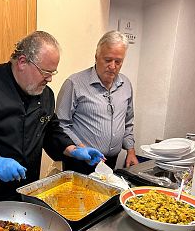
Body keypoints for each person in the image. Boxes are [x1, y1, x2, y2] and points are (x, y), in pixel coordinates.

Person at [0, 31, 104, 205]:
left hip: (23, 187)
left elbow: (51, 130)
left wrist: (73, 149)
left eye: (53, 72)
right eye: (45, 72)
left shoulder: (45, 95)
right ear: (22, 62)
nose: (50, 79)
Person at [56, 30, 139, 174]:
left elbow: (128, 121)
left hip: (111, 161)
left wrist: (131, 151)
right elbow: (61, 124)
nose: (113, 66)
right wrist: (81, 149)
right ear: (96, 57)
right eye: (108, 60)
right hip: (80, 161)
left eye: (118, 62)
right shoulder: (74, 84)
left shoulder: (126, 84)